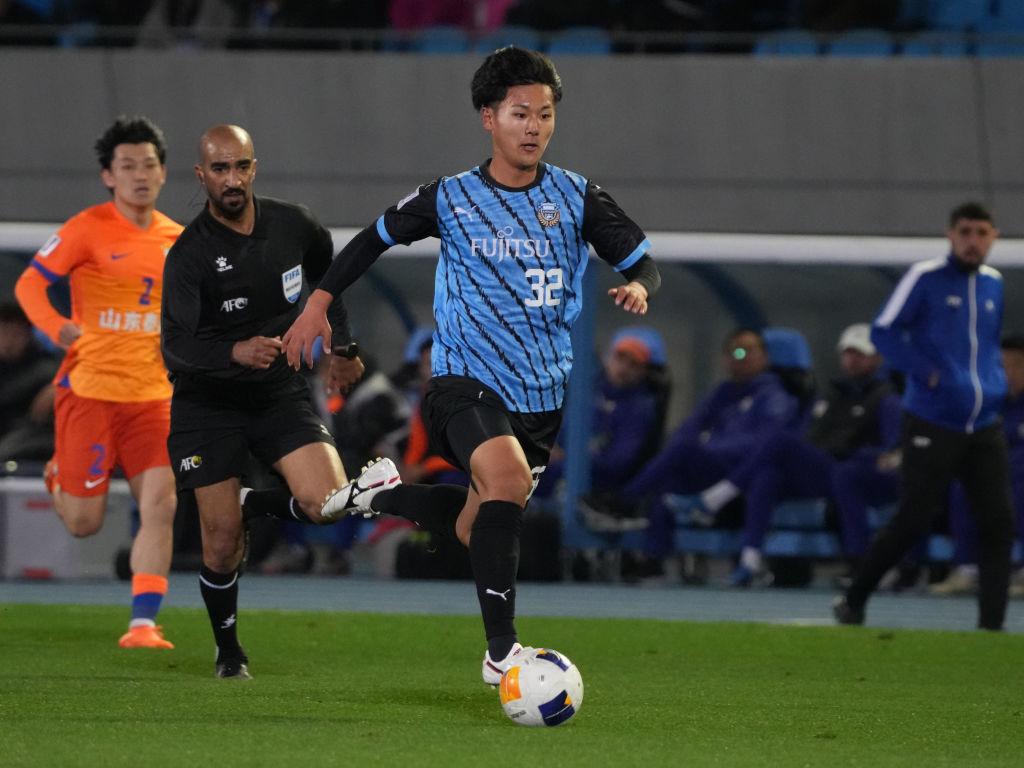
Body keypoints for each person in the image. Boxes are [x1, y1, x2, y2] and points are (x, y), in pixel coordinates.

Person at [281, 47, 660, 684]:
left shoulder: (576, 196)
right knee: (505, 483)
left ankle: (381, 494)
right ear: (489, 117)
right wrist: (318, 303)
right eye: (520, 113)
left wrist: (641, 287)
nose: (534, 126)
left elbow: (642, 261)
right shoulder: (451, 197)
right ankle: (502, 652)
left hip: (541, 396)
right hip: (463, 382)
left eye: (544, 114)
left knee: (474, 527)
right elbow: (371, 240)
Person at [160, 124, 379, 678]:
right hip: (207, 404)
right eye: (220, 169)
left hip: (277, 392)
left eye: (241, 166)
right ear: (201, 175)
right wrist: (234, 351)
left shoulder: (294, 224)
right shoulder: (188, 255)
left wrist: (344, 347)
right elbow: (175, 347)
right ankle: (229, 650)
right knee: (220, 542)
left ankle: (254, 502)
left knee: (329, 503)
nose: (232, 179)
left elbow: (330, 279)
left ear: (254, 168)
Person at [14, 116, 183, 649]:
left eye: (149, 165)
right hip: (90, 391)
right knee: (84, 522)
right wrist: (56, 328)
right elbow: (29, 285)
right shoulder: (86, 228)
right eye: (127, 166)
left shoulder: (179, 240)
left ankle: (143, 624)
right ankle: (58, 475)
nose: (140, 175)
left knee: (161, 504)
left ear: (163, 173)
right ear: (109, 176)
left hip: (154, 397)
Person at [834, 202, 1014, 631]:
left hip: (983, 422)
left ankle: (992, 626)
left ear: (994, 237)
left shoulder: (993, 283)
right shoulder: (925, 277)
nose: (973, 241)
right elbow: (883, 331)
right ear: (951, 235)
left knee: (998, 523)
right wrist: (928, 373)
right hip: (932, 420)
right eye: (965, 232)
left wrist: (996, 383)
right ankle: (855, 599)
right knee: (913, 518)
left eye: (981, 233)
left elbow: (986, 344)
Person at [691, 324, 902, 587]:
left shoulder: (886, 399)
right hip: (821, 470)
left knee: (780, 440)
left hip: (850, 473)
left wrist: (859, 458)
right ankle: (749, 560)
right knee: (768, 475)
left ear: (877, 358)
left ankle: (720, 495)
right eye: (848, 353)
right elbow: (811, 437)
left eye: (860, 354)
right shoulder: (833, 396)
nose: (852, 359)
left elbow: (891, 448)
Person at [613, 328, 802, 576]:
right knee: (671, 478)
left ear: (765, 358)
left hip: (744, 476)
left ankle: (624, 502)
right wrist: (703, 446)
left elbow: (763, 444)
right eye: (734, 352)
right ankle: (653, 557)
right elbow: (687, 431)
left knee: (685, 451)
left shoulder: (774, 396)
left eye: (748, 351)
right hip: (711, 472)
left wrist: (709, 446)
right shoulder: (722, 394)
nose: (741, 356)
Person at [928, 334, 1024, 597]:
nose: (1008, 373)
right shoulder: (990, 405)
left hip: (1017, 475)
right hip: (1000, 472)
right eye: (1002, 366)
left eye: (1016, 365)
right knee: (964, 482)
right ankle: (968, 568)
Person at [0, 302, 59, 462]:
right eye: (4, 333)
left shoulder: (46, 370)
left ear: (28, 335)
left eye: (16, 334)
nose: (9, 342)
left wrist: (59, 387)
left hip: (30, 438)